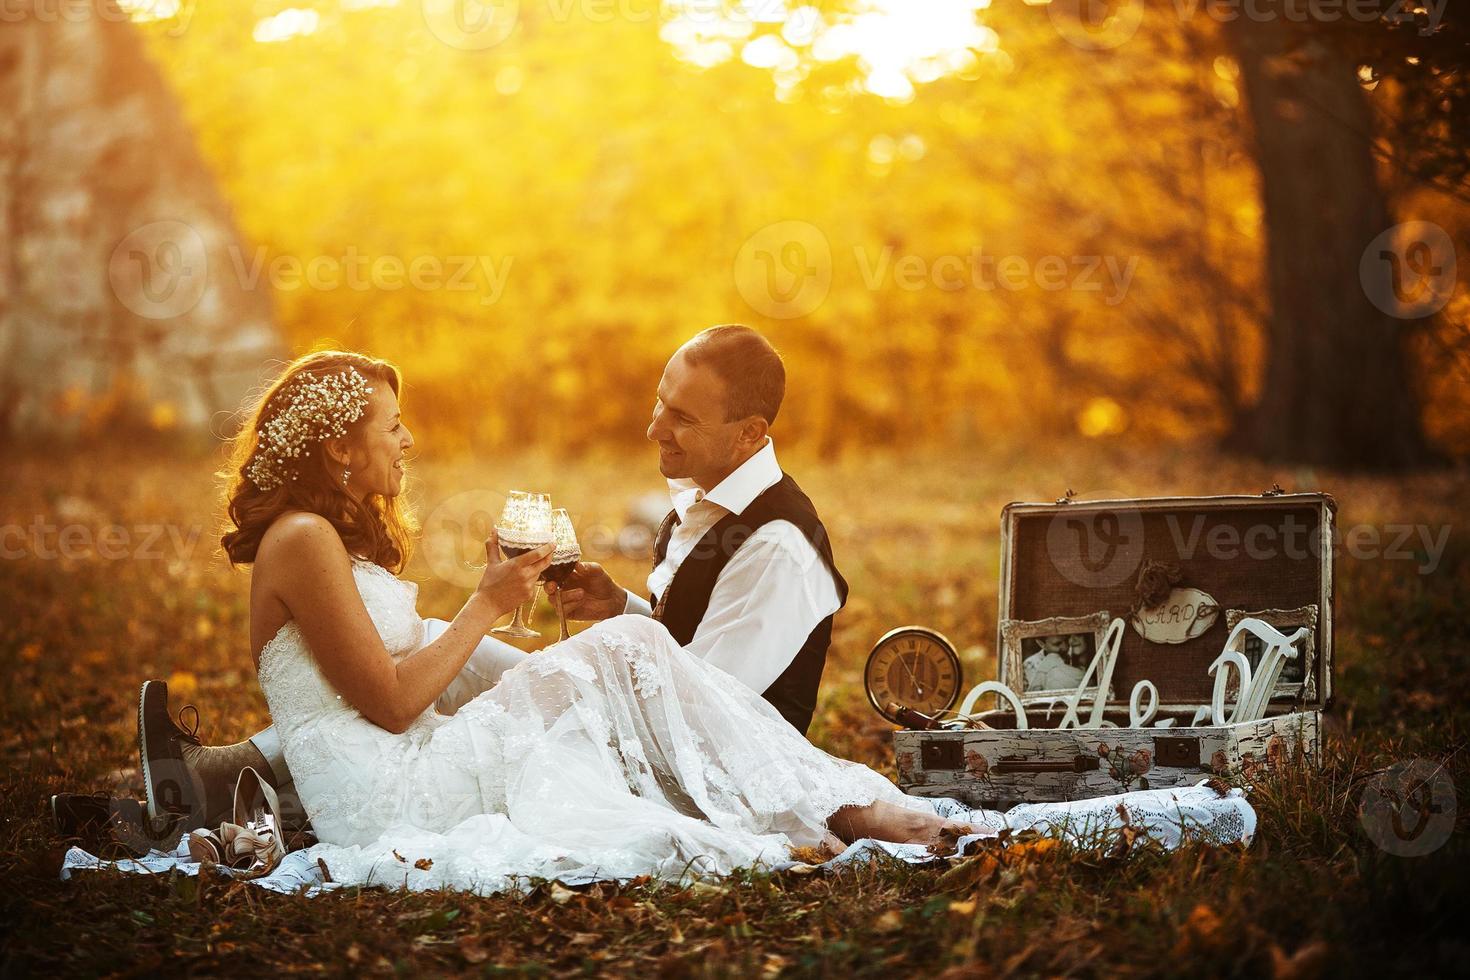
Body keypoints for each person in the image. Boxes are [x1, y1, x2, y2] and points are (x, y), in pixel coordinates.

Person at [142, 348, 980, 889]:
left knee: (619, 650)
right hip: (389, 800)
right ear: (337, 450)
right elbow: (392, 703)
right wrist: (489, 605)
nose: (408, 442)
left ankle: (829, 806)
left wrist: (522, 642)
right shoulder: (301, 542)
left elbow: (407, 661)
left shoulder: (320, 539)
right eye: (392, 427)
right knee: (618, 650)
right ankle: (839, 810)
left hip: (404, 763)